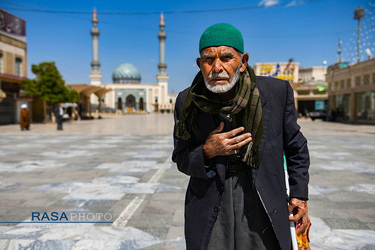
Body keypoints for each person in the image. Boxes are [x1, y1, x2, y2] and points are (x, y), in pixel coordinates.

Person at [172, 23, 310, 250]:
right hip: (210, 197)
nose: (217, 67)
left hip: (261, 194)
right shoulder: (187, 101)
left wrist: (299, 196)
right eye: (208, 60)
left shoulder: (276, 93)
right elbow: (181, 157)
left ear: (243, 61)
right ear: (200, 64)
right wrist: (207, 151)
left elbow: (296, 147)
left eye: (226, 58)